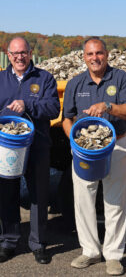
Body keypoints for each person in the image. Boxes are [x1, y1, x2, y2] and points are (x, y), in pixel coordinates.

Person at [62, 37, 126, 275]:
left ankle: (113, 255)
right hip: (85, 151)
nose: (95, 58)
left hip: (116, 144)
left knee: (115, 201)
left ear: (107, 55)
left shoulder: (122, 79)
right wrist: (74, 142)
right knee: (83, 199)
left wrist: (108, 105)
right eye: (90, 54)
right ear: (83, 57)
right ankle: (90, 251)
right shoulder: (75, 83)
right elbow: (67, 118)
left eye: (99, 53)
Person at [0, 37, 60, 263]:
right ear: (8, 55)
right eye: (15, 53)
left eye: (23, 52)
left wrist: (28, 104)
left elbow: (54, 108)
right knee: (7, 194)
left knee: (38, 196)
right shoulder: (1, 79)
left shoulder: (44, 78)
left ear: (31, 53)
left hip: (38, 147)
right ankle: (8, 242)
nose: (19, 57)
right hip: (8, 148)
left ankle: (38, 244)